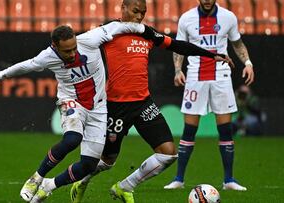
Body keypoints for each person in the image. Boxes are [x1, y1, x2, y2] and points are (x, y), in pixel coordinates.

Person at [70, 0, 234, 202]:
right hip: (116, 106)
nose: (139, 16)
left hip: (143, 103)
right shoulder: (108, 31)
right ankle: (82, 181)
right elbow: (78, 48)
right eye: (135, 11)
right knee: (108, 160)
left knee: (168, 154)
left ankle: (125, 186)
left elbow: (177, 45)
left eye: (143, 12)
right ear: (123, 8)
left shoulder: (147, 33)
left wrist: (211, 55)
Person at [0, 21, 152, 203]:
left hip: (99, 108)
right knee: (72, 139)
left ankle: (49, 185)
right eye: (66, 51)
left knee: (88, 165)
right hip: (72, 102)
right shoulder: (48, 56)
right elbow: (28, 65)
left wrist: (144, 30)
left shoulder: (91, 39)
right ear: (55, 46)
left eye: (74, 48)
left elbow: (118, 26)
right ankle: (36, 178)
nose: (72, 54)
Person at [163, 0, 254, 191]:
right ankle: (178, 179)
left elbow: (237, 43)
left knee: (225, 130)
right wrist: (178, 69)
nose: (206, 0)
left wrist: (248, 64)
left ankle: (229, 180)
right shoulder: (186, 18)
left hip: (221, 77)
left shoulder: (228, 17)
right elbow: (179, 46)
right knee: (189, 130)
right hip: (195, 77)